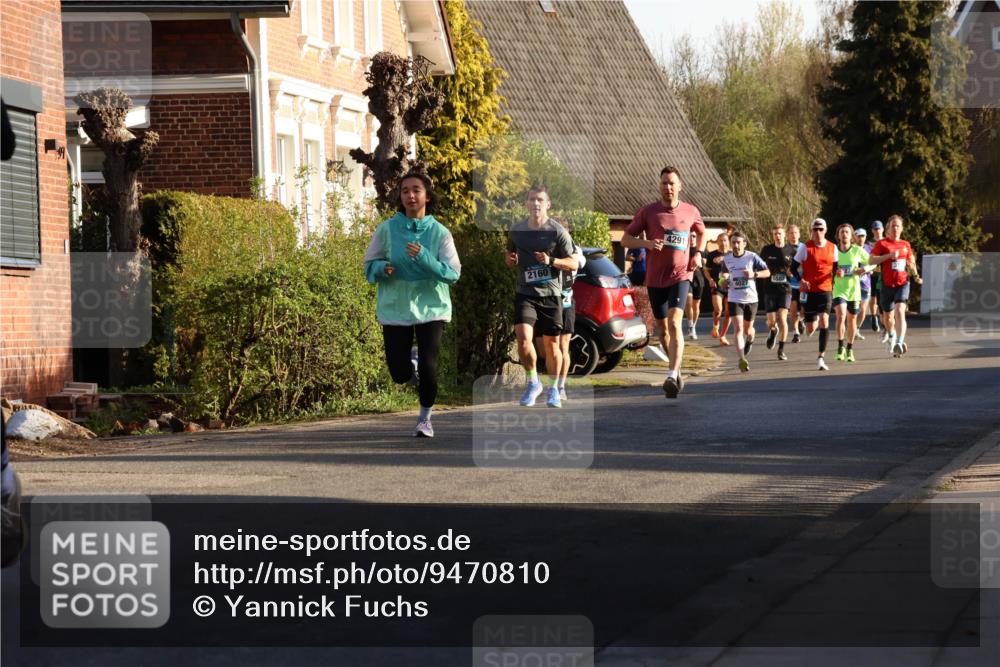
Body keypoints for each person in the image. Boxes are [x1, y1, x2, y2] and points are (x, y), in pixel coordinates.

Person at [364, 171, 461, 438]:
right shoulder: (387, 230)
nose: (410, 195)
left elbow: (453, 273)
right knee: (398, 373)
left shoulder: (440, 232)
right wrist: (382, 268)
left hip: (432, 307)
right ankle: (411, 364)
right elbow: (369, 264)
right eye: (405, 190)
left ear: (427, 196)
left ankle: (424, 420)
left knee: (430, 366)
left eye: (416, 190)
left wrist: (425, 258)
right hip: (396, 306)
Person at [622, 166, 706, 398]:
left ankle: (671, 374)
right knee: (662, 330)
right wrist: (647, 244)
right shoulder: (649, 212)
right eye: (664, 183)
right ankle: (675, 370)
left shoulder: (690, 211)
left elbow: (702, 232)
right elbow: (625, 239)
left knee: (675, 322)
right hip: (655, 279)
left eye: (671, 183)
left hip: (681, 275)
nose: (668, 187)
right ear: (659, 186)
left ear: (680, 186)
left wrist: (698, 254)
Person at [506, 186, 578, 408]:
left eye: (540, 200)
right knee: (523, 339)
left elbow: (573, 263)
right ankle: (533, 382)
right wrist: (510, 260)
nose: (535, 203)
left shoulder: (557, 232)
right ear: (526, 203)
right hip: (525, 292)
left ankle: (554, 389)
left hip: (551, 294)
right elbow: (509, 254)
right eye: (531, 199)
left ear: (548, 204)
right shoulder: (517, 230)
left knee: (552, 346)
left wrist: (551, 261)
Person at [868, 214, 923, 357]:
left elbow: (911, 262)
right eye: (893, 226)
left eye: (898, 226)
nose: (895, 228)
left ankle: (899, 341)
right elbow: (871, 260)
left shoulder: (905, 244)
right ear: (888, 228)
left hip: (902, 283)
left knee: (899, 311)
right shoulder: (882, 244)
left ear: (902, 228)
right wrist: (889, 256)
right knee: (887, 318)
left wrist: (916, 276)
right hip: (886, 285)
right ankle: (891, 334)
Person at [720, 231, 770, 372]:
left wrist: (754, 274)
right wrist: (723, 281)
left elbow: (767, 272)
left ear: (744, 244)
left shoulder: (752, 257)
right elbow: (723, 275)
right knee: (738, 329)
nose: (735, 245)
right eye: (733, 242)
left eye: (738, 242)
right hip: (734, 298)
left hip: (751, 299)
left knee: (748, 330)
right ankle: (742, 359)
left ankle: (750, 339)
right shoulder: (727, 259)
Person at [794, 218, 837, 371]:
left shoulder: (832, 247)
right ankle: (807, 321)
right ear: (811, 231)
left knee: (825, 321)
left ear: (825, 231)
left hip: (825, 290)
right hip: (809, 291)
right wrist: (801, 280)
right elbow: (792, 267)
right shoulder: (805, 247)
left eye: (820, 229)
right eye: (815, 229)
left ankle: (821, 357)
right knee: (811, 328)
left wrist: (839, 273)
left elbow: (836, 267)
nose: (818, 232)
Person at [556, 220, 586, 402]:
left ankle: (560, 386)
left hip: (566, 302)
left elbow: (578, 262)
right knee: (547, 347)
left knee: (563, 346)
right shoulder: (546, 249)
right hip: (547, 301)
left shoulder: (575, 251)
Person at [832, 223, 870, 362]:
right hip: (839, 289)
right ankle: (840, 346)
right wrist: (835, 271)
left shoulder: (857, 250)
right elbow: (825, 267)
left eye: (847, 232)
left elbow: (872, 262)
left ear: (851, 235)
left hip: (854, 291)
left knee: (852, 319)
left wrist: (864, 269)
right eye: (842, 232)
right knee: (841, 315)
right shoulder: (833, 251)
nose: (844, 234)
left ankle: (849, 348)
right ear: (838, 235)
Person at [759, 225, 796, 361]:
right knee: (771, 321)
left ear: (784, 235)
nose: (777, 236)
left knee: (782, 317)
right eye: (775, 234)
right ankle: (773, 331)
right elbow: (759, 265)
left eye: (779, 233)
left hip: (785, 289)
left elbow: (798, 268)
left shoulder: (791, 250)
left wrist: (793, 273)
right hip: (769, 288)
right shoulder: (766, 250)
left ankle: (781, 350)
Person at [704, 232, 733, 346]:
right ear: (717, 242)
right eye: (720, 240)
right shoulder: (712, 255)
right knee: (718, 310)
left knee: (729, 312)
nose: (723, 243)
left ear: (728, 242)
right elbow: (706, 270)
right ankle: (716, 325)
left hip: (731, 286)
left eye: (725, 240)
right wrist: (710, 279)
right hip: (717, 286)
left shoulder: (733, 254)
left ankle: (723, 336)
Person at [787, 224, 806, 343]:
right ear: (788, 235)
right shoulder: (785, 248)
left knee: (804, 309)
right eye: (791, 233)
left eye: (795, 233)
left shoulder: (804, 247)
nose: (793, 235)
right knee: (793, 309)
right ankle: (796, 333)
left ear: (799, 234)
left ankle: (801, 320)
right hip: (791, 283)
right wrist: (786, 271)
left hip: (804, 283)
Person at [869, 220, 887, 339]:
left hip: (883, 274)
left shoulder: (886, 242)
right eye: (875, 229)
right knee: (873, 297)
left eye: (879, 228)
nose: (877, 231)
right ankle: (873, 316)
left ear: (883, 229)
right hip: (872, 274)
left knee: (881, 299)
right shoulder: (869, 243)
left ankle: (881, 318)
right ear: (872, 230)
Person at [686, 235, 706, 340]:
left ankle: (693, 326)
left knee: (696, 305)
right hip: (687, 278)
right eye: (690, 236)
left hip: (698, 279)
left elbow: (707, 266)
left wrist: (704, 262)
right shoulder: (684, 249)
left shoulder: (701, 251)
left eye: (694, 236)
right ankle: (690, 325)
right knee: (688, 302)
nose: (692, 238)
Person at [853, 228, 871, 339]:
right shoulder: (851, 249)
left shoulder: (869, 249)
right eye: (859, 236)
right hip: (852, 283)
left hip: (865, 283)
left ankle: (857, 330)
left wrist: (869, 269)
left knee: (863, 310)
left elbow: (875, 263)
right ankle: (852, 329)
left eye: (863, 236)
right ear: (854, 237)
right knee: (853, 310)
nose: (861, 238)